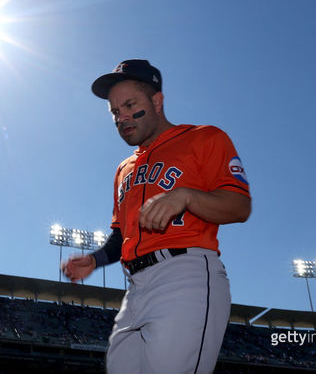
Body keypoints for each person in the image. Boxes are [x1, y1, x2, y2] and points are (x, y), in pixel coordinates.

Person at [63, 59, 251, 374]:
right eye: (114, 112)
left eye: (129, 105)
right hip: (135, 287)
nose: (121, 117)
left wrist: (186, 196)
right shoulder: (123, 169)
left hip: (185, 274)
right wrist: (95, 260)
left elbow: (239, 206)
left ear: (157, 101)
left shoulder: (204, 138)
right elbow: (121, 234)